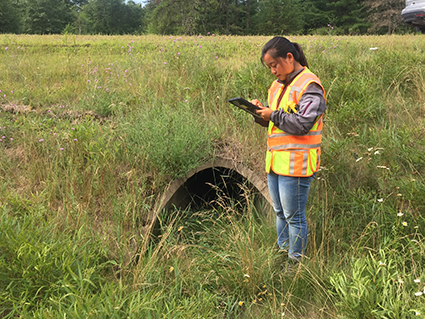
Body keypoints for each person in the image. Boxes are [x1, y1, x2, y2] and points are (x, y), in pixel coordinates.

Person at [251, 36, 327, 262]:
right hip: (275, 162)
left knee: (294, 217)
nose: (272, 71)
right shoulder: (276, 86)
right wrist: (260, 114)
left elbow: (303, 124)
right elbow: (276, 121)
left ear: (289, 57)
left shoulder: (310, 85)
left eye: (274, 65)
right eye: (269, 67)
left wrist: (272, 114)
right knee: (280, 213)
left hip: (297, 164)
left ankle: (295, 261)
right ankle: (282, 253)